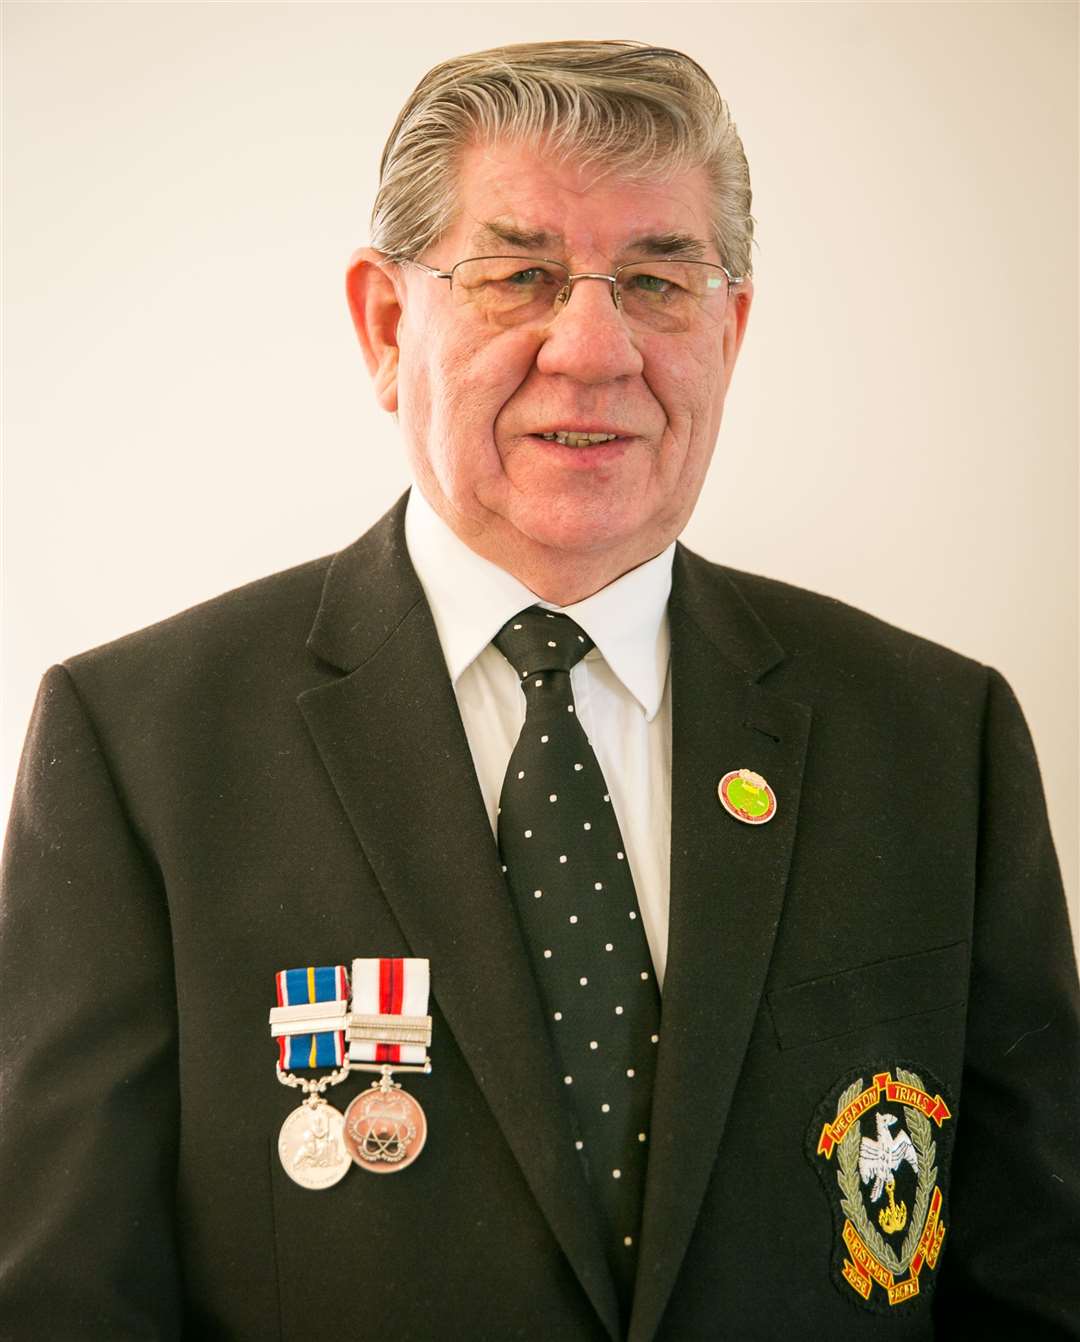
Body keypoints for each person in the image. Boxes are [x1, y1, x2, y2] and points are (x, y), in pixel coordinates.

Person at [1, 39, 1077, 1342]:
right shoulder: (143, 751)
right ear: (388, 325)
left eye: (657, 279)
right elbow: (68, 1304)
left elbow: (1036, 1278)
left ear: (731, 331)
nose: (593, 345)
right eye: (520, 276)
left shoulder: (932, 740)